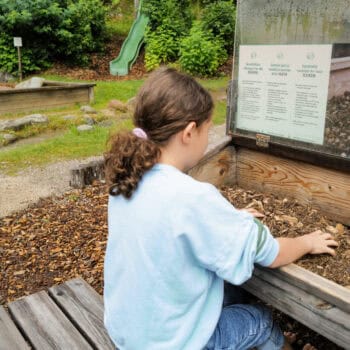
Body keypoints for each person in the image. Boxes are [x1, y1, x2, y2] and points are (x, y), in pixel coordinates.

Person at [103, 67, 338, 350]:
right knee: (259, 320)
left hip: (130, 333)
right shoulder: (192, 198)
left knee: (227, 294)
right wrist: (306, 242)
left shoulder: (128, 179)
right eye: (208, 129)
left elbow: (175, 225)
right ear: (189, 132)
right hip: (173, 344)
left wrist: (232, 220)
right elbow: (272, 255)